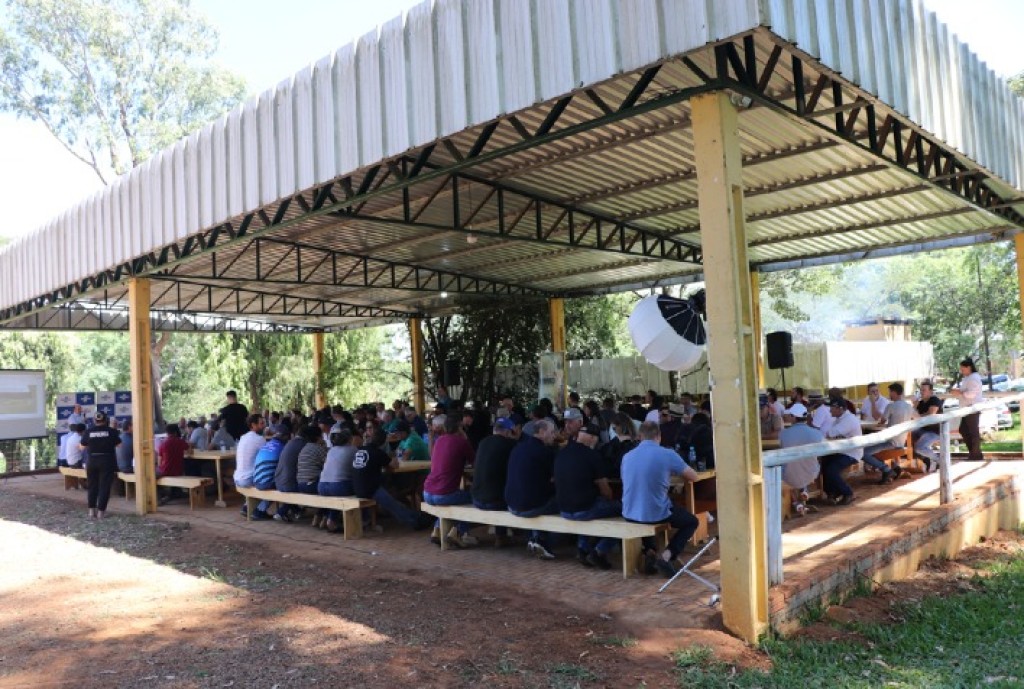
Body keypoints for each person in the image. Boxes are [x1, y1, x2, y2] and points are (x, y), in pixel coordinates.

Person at [621, 421, 700, 577]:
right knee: (691, 521)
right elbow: (693, 476)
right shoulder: (667, 454)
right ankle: (667, 556)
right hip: (656, 513)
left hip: (629, 512)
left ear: (640, 436)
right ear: (659, 436)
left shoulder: (627, 456)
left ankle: (650, 552)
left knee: (646, 508)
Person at [555, 421, 621, 570]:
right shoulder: (592, 455)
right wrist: (610, 500)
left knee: (586, 507)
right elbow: (605, 491)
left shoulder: (561, 453)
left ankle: (583, 548)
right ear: (593, 438)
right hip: (584, 509)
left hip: (563, 509)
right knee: (625, 512)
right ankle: (600, 551)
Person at [353, 428, 430, 530]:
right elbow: (394, 465)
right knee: (393, 504)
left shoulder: (360, 450)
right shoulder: (378, 453)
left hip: (356, 487)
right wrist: (393, 458)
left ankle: (416, 516)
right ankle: (416, 522)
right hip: (370, 488)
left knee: (392, 495)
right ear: (383, 442)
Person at [505, 419, 560, 560]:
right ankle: (543, 541)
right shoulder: (546, 452)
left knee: (535, 495)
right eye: (552, 432)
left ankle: (534, 538)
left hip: (511, 504)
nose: (554, 435)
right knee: (567, 504)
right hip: (530, 506)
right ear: (541, 432)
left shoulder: (517, 448)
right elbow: (558, 478)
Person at [423, 415, 477, 548]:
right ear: (459, 427)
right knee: (476, 498)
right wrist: (465, 438)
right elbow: (475, 462)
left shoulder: (439, 440)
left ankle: (437, 530)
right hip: (444, 494)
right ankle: (458, 531)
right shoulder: (461, 442)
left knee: (453, 500)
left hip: (427, 492)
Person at [470, 417, 518, 547]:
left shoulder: (483, 442)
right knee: (505, 493)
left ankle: (500, 536)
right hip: (496, 502)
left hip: (476, 499)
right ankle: (501, 536)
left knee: (494, 487)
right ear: (508, 432)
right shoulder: (511, 445)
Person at [863, 383, 914, 483]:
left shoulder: (891, 406)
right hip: (901, 441)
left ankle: (886, 470)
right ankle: (892, 468)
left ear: (894, 392)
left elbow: (881, 421)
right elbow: (917, 418)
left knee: (863, 453)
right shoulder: (909, 407)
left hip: (890, 442)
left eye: (890, 392)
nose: (889, 395)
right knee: (871, 446)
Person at [778, 409, 823, 516]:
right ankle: (804, 492)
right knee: (803, 468)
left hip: (789, 474)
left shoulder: (783, 434)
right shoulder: (817, 433)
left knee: (787, 469)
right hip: (811, 473)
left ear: (793, 417)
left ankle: (797, 504)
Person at [820, 397, 862, 505]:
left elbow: (830, 433)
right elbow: (829, 434)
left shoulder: (849, 419)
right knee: (824, 462)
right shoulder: (839, 418)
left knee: (831, 469)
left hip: (851, 453)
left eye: (832, 408)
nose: (830, 410)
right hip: (841, 450)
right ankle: (831, 492)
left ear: (840, 408)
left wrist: (828, 435)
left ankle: (848, 493)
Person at [80, 411, 121, 519]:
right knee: (104, 486)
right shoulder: (111, 431)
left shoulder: (88, 431)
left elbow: (82, 447)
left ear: (94, 420)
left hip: (92, 461)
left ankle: (91, 511)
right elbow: (119, 445)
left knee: (92, 486)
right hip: (107, 461)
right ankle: (101, 512)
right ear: (106, 420)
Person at [318, 428, 357, 532]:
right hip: (338, 487)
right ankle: (363, 519)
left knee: (336, 493)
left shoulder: (331, 450)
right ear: (350, 438)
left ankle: (329, 518)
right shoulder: (353, 449)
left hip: (322, 486)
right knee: (361, 488)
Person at [233, 413, 269, 519]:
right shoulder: (259, 439)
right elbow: (269, 456)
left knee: (260, 476)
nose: (264, 426)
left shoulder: (243, 437)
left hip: (237, 478)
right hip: (247, 478)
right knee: (271, 481)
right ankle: (260, 511)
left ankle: (246, 507)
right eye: (261, 423)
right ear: (253, 425)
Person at [951, 358, 984, 461]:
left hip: (972, 408)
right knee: (964, 430)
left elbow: (971, 394)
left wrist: (959, 392)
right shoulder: (968, 378)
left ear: (969, 367)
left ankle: (975, 454)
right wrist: (959, 391)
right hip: (967, 408)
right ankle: (975, 453)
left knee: (972, 432)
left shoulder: (974, 378)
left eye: (963, 369)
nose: (961, 371)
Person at [912, 380, 943, 473]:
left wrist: (918, 416)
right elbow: (913, 416)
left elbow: (931, 414)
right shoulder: (920, 403)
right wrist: (914, 406)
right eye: (921, 390)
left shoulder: (935, 400)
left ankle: (939, 460)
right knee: (906, 438)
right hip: (922, 430)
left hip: (935, 431)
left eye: (924, 390)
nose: (921, 392)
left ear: (931, 391)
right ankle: (926, 459)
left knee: (919, 447)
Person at [156, 423, 189, 505]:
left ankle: (158, 497)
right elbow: (189, 450)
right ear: (175, 432)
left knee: (151, 476)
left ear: (167, 433)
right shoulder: (181, 442)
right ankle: (176, 492)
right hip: (179, 471)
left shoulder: (163, 443)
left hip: (166, 470)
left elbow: (159, 462)